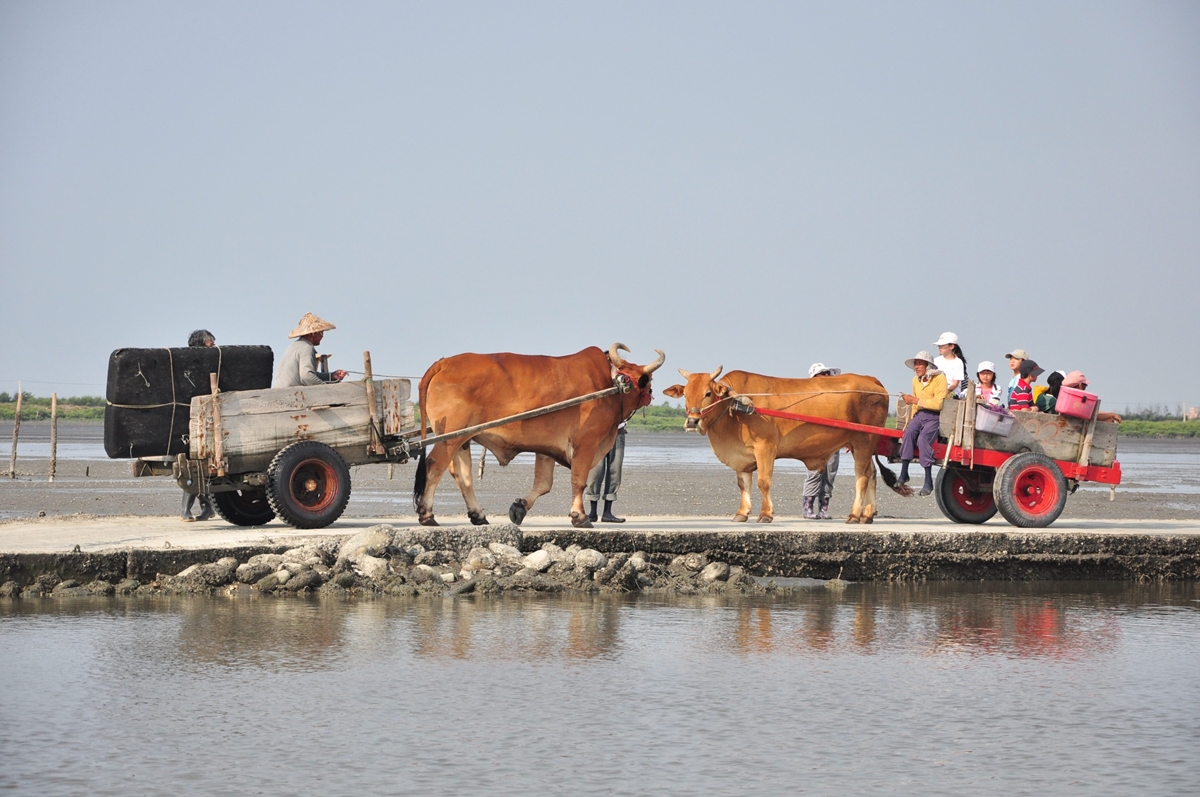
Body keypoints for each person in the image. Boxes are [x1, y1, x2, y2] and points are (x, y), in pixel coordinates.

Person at [898, 351, 948, 496]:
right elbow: (915, 404)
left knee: (923, 439)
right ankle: (904, 473)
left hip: (934, 417)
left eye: (920, 363)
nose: (916, 367)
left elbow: (939, 404)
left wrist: (916, 401)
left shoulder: (939, 378)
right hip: (919, 415)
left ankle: (928, 480)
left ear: (928, 365)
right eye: (915, 364)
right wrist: (913, 418)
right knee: (908, 434)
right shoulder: (916, 380)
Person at [182, 329, 216, 522]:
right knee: (194, 467)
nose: (214, 346)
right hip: (196, 420)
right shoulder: (192, 366)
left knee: (198, 467)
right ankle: (203, 508)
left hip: (206, 420)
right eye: (211, 344)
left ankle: (204, 508)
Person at [802, 362, 841, 520]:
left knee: (830, 473)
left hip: (834, 439)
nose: (826, 376)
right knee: (815, 472)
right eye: (822, 374)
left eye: (827, 374)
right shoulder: (808, 396)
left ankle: (824, 508)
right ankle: (808, 508)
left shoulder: (837, 397)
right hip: (816, 440)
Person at [274, 313, 349, 388]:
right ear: (314, 333)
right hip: (293, 395)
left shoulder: (293, 346)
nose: (322, 336)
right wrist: (326, 389)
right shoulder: (306, 347)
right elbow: (307, 376)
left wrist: (331, 376)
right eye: (321, 332)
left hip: (283, 392)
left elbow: (309, 374)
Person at [585, 421, 626, 523]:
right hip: (598, 432)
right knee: (595, 472)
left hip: (618, 432)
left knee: (615, 471)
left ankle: (607, 512)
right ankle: (592, 512)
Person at [933, 332, 967, 398]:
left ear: (951, 346)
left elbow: (955, 383)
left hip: (952, 393)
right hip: (937, 391)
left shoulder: (958, 362)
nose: (940, 348)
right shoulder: (936, 360)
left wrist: (947, 391)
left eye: (942, 345)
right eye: (939, 346)